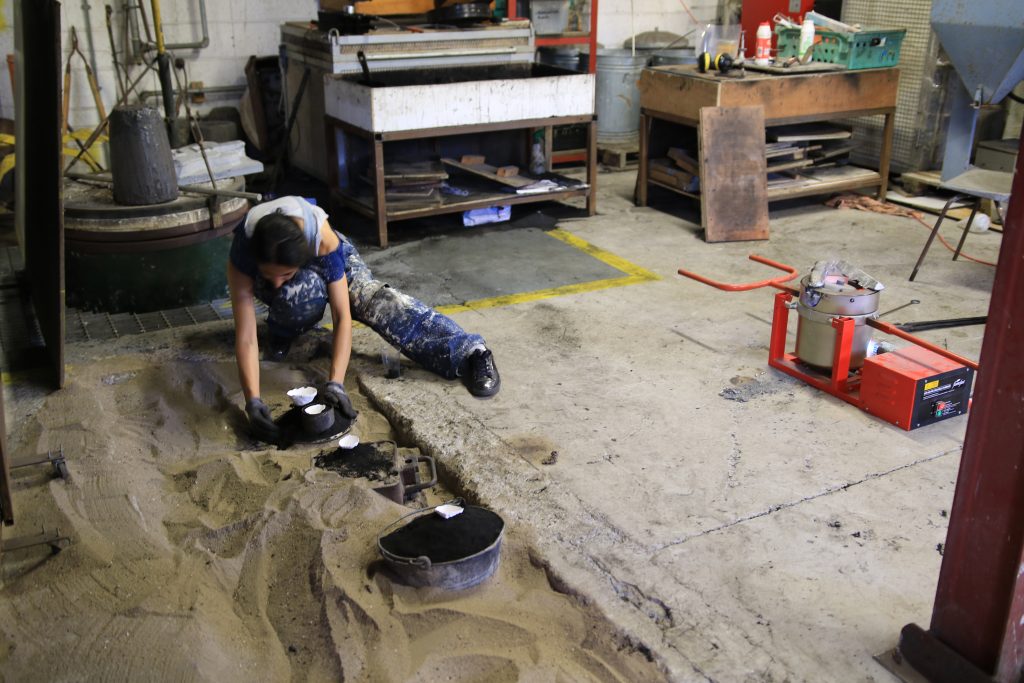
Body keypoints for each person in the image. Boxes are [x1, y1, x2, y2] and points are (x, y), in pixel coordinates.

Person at [227, 196, 500, 441]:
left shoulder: (323, 239)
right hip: (281, 261)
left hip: (328, 253)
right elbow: (246, 333)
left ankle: (470, 351)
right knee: (289, 297)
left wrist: (336, 383)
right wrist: (253, 400)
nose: (276, 283)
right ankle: (283, 330)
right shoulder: (244, 248)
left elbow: (341, 316)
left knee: (371, 301)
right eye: (270, 276)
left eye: (285, 275)